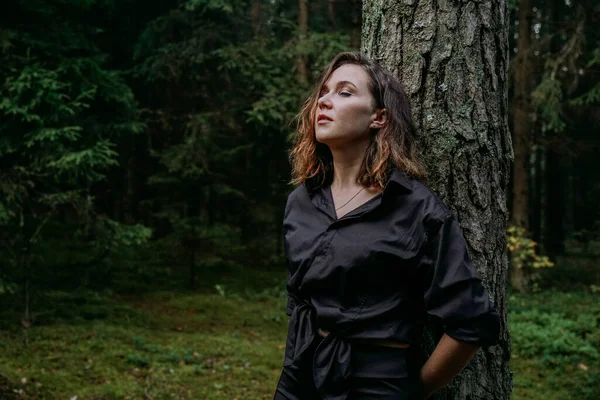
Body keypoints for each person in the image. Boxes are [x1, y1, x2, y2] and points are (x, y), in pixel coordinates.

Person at [272, 52, 501, 400]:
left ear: (378, 118)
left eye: (345, 92)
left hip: (377, 382)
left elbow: (471, 322)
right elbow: (299, 300)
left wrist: (412, 391)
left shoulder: (415, 209)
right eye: (324, 91)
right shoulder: (301, 202)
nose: (324, 100)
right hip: (301, 374)